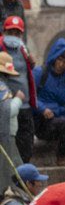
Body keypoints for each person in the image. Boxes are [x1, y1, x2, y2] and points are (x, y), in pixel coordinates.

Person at [32, 37, 65, 163]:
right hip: (44, 123)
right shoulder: (40, 73)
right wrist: (42, 108)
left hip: (61, 119)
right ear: (54, 57)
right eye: (60, 60)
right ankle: (61, 157)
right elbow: (28, 95)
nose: (61, 65)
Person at [1, 16, 34, 162]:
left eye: (17, 33)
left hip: (24, 102)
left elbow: (27, 71)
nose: (14, 36)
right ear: (4, 31)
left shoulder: (23, 48)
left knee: (26, 139)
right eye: (11, 32)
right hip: (8, 101)